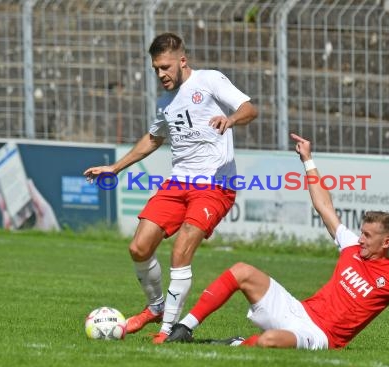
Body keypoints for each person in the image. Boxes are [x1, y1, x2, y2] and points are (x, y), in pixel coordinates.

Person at [164, 133, 389, 355]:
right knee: (242, 270)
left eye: (368, 236)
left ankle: (235, 346)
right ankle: (184, 328)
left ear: (386, 242)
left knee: (268, 342)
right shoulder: (351, 248)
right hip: (298, 310)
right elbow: (324, 206)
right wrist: (308, 159)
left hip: (320, 336)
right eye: (361, 232)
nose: (360, 238)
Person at [83, 32, 258, 344]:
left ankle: (167, 332)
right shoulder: (165, 103)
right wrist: (114, 167)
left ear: (182, 60)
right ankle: (156, 307)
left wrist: (230, 120)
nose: (161, 74)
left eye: (165, 67)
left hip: (215, 185)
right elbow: (153, 138)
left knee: (180, 251)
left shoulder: (209, 80)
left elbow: (249, 109)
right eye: (155, 69)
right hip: (178, 183)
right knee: (138, 248)